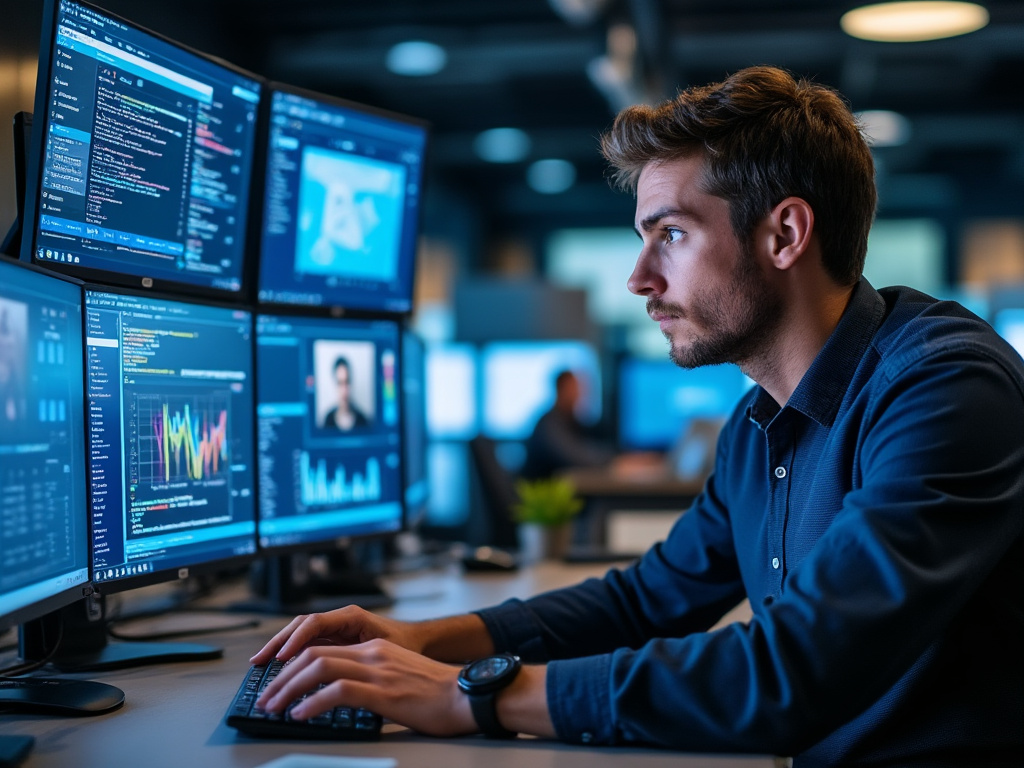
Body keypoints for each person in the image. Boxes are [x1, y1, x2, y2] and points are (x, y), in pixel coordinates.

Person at [252, 66, 1023, 765]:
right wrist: (427, 641)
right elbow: (647, 599)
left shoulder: (946, 388)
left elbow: (791, 675)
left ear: (784, 234)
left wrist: (469, 695)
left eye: (672, 234)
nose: (638, 278)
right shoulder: (759, 426)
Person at [520, 369, 614, 480]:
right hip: (540, 492)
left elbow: (588, 447)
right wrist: (615, 460)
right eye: (574, 388)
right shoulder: (549, 424)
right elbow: (575, 456)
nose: (579, 393)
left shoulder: (571, 420)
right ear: (561, 390)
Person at [322, 356, 369, 431]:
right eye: (340, 383)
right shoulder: (328, 421)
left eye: (347, 382)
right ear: (335, 385)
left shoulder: (363, 420)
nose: (344, 390)